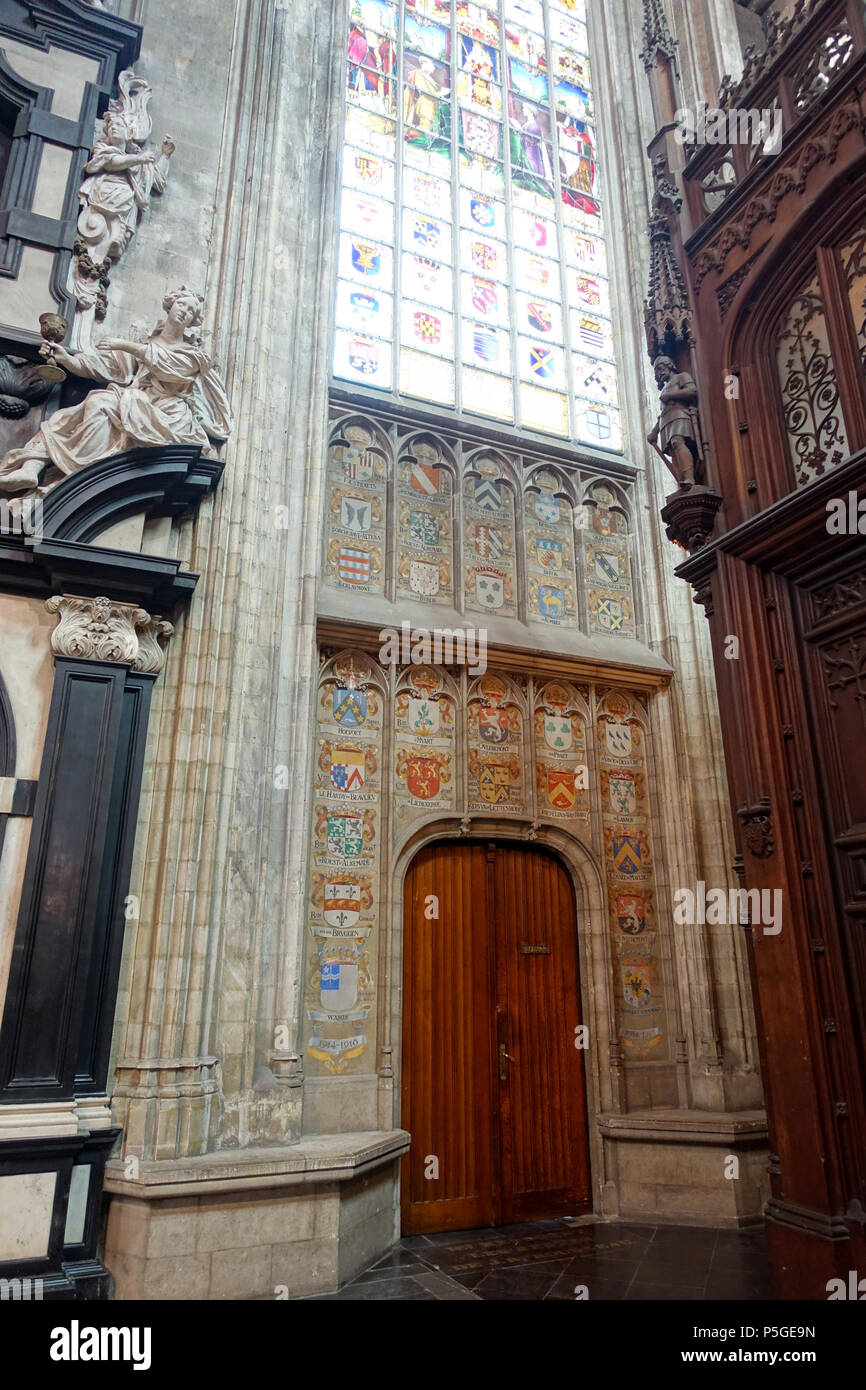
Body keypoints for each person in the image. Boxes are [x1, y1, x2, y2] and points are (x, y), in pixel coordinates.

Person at [0, 287, 232, 496]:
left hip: (167, 414)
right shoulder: (145, 343)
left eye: (191, 311)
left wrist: (123, 344)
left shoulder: (191, 355)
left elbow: (166, 366)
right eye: (182, 304)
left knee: (101, 402)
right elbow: (101, 366)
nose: (184, 312)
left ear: (192, 321)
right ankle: (32, 468)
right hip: (135, 403)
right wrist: (66, 360)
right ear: (170, 305)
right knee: (66, 416)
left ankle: (74, 479)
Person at [647, 356, 702, 489]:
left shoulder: (681, 377)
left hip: (679, 414)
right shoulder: (665, 388)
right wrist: (654, 431)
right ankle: (681, 481)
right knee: (673, 450)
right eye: (657, 372)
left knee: (677, 441)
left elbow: (692, 391)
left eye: (661, 369)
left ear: (669, 365)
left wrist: (671, 395)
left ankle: (689, 477)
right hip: (666, 420)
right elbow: (662, 413)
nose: (659, 373)